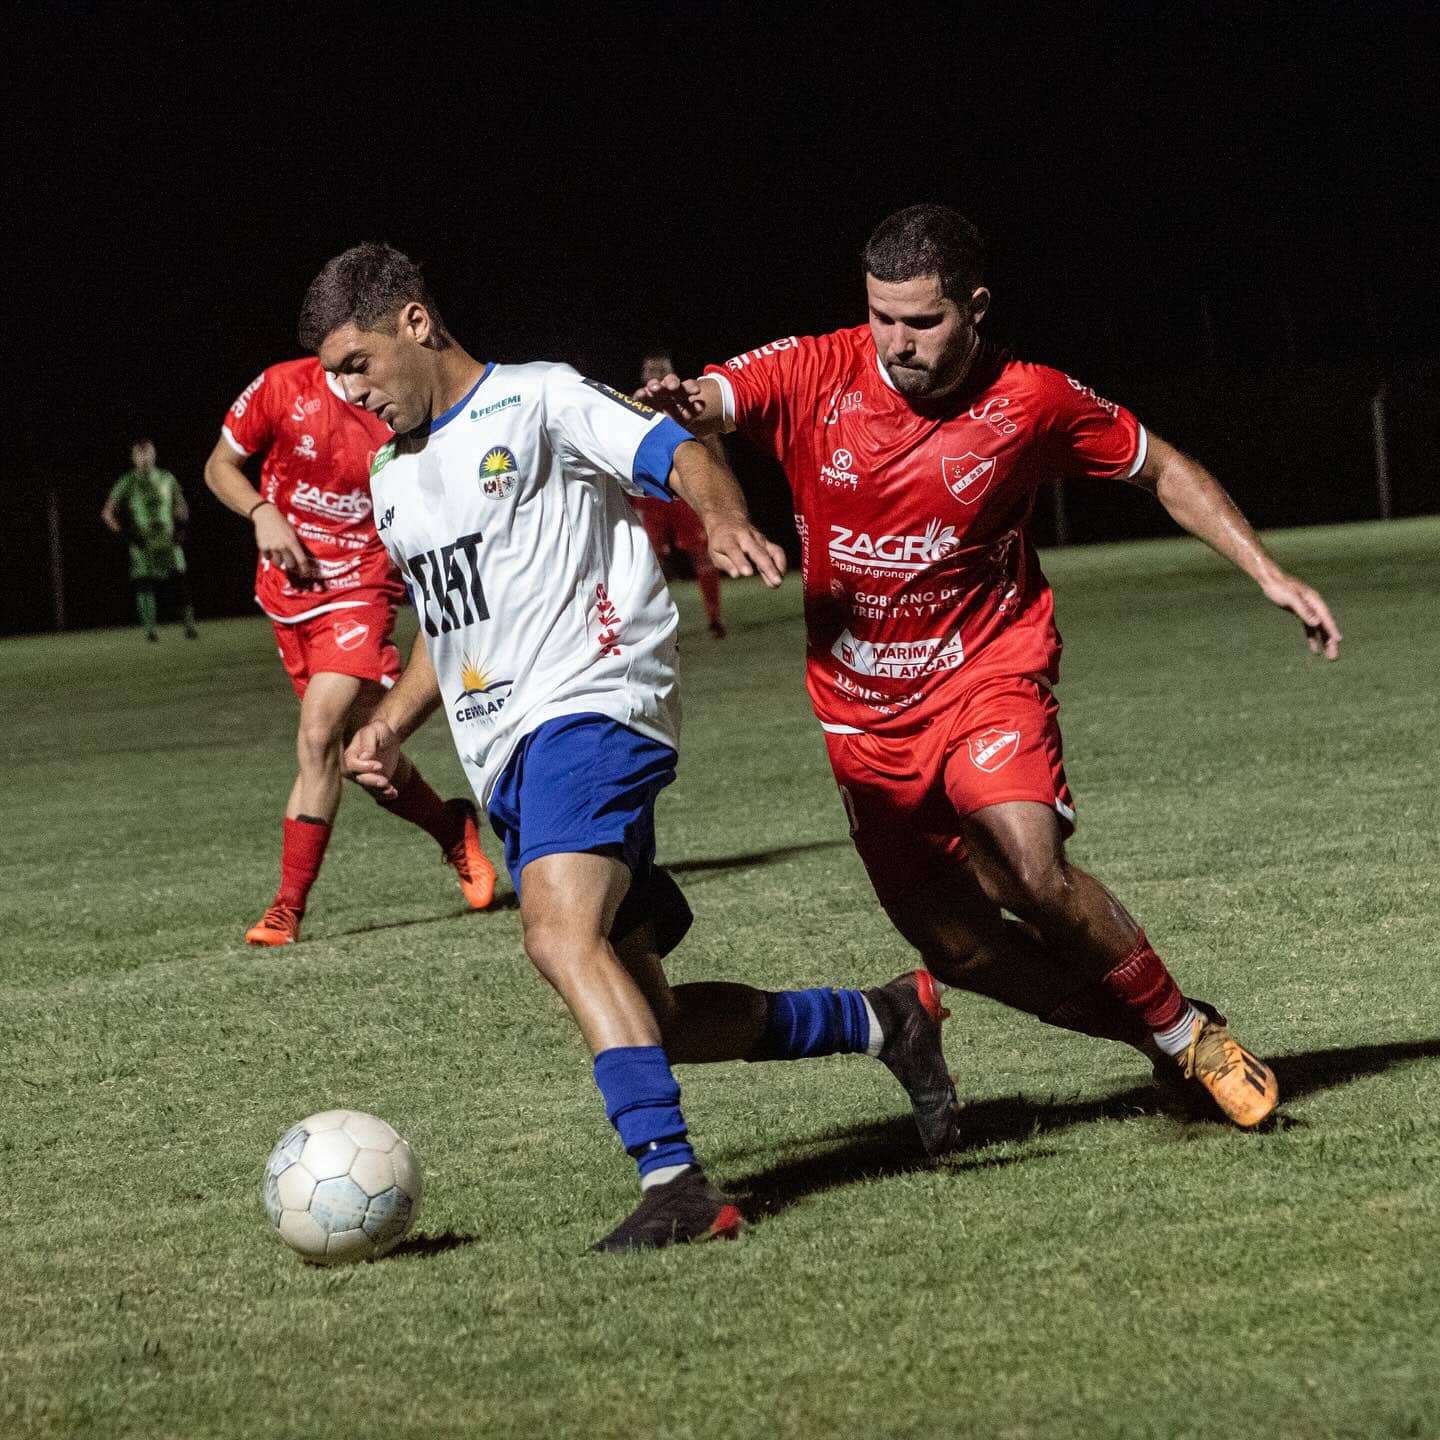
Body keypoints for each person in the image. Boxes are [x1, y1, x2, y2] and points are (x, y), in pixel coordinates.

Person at [298, 242, 962, 1251]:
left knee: (556, 937)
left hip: (595, 708)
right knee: (656, 1017)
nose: (350, 392)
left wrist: (727, 518)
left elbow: (675, 452)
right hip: (510, 757)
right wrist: (390, 722)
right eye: (333, 377)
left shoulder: (540, 400)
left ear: (415, 324)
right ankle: (884, 1020)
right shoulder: (395, 477)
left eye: (357, 364)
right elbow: (453, 620)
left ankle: (676, 1186)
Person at [639, 203, 1344, 1130]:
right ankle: (1165, 1039)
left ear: (975, 306)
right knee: (959, 949)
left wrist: (1269, 571)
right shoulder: (817, 368)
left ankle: (1190, 1039)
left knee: (1025, 868)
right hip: (861, 716)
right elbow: (702, 415)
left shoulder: (1032, 400)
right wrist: (703, 466)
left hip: (986, 674)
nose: (897, 341)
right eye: (881, 316)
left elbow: (1163, 467)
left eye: (923, 321)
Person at [202, 351, 496, 946]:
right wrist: (262, 513)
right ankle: (451, 829)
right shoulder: (283, 386)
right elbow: (219, 467)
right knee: (360, 758)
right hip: (288, 595)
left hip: (361, 589)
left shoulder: (398, 410)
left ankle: (286, 910)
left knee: (317, 737)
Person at [630, 350, 727, 637]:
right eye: (651, 370)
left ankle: (714, 618)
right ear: (643, 376)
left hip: (685, 491)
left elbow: (711, 441)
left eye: (662, 370)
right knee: (647, 559)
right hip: (649, 496)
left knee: (702, 553)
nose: (656, 375)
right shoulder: (633, 406)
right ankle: (649, 625)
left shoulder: (688, 403)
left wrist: (719, 484)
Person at [101, 439, 198, 641]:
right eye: (139, 454)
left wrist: (182, 527)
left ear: (154, 454)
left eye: (148, 453)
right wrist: (126, 535)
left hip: (168, 541)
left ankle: (189, 626)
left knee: (180, 582)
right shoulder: (128, 481)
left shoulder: (166, 478)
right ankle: (150, 631)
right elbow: (107, 513)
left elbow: (181, 505)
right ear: (133, 457)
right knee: (144, 584)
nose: (144, 457)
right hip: (143, 543)